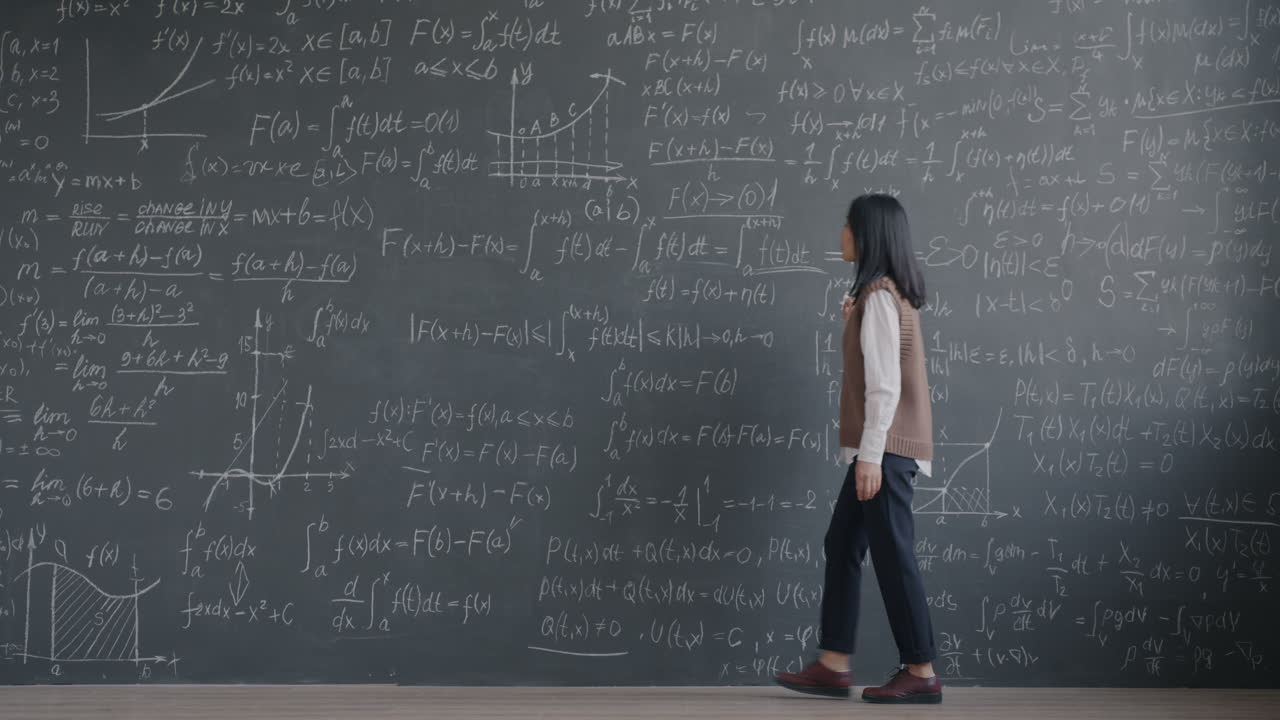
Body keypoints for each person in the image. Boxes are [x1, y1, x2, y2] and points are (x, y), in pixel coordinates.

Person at [774, 193, 942, 704]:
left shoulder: (880, 298)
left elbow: (884, 386)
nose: (840, 234)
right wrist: (854, 318)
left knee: (892, 554)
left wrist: (870, 455)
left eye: (846, 227)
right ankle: (833, 662)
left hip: (885, 451)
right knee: (843, 544)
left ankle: (921, 671)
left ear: (865, 236)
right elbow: (880, 365)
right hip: (884, 449)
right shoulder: (882, 297)